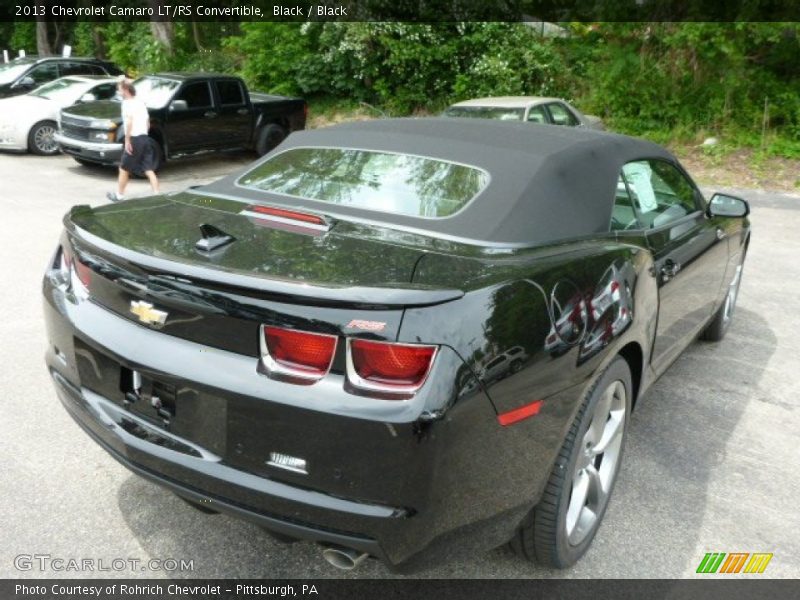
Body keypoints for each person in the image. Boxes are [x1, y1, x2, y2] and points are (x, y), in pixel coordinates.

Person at [106, 79, 159, 202]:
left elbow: (129, 121)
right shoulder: (140, 103)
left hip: (134, 139)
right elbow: (147, 123)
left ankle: (119, 195)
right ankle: (157, 195)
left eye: (119, 89)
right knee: (148, 169)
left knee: (123, 168)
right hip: (145, 138)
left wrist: (128, 140)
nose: (118, 91)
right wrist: (143, 134)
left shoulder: (127, 104)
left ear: (125, 90)